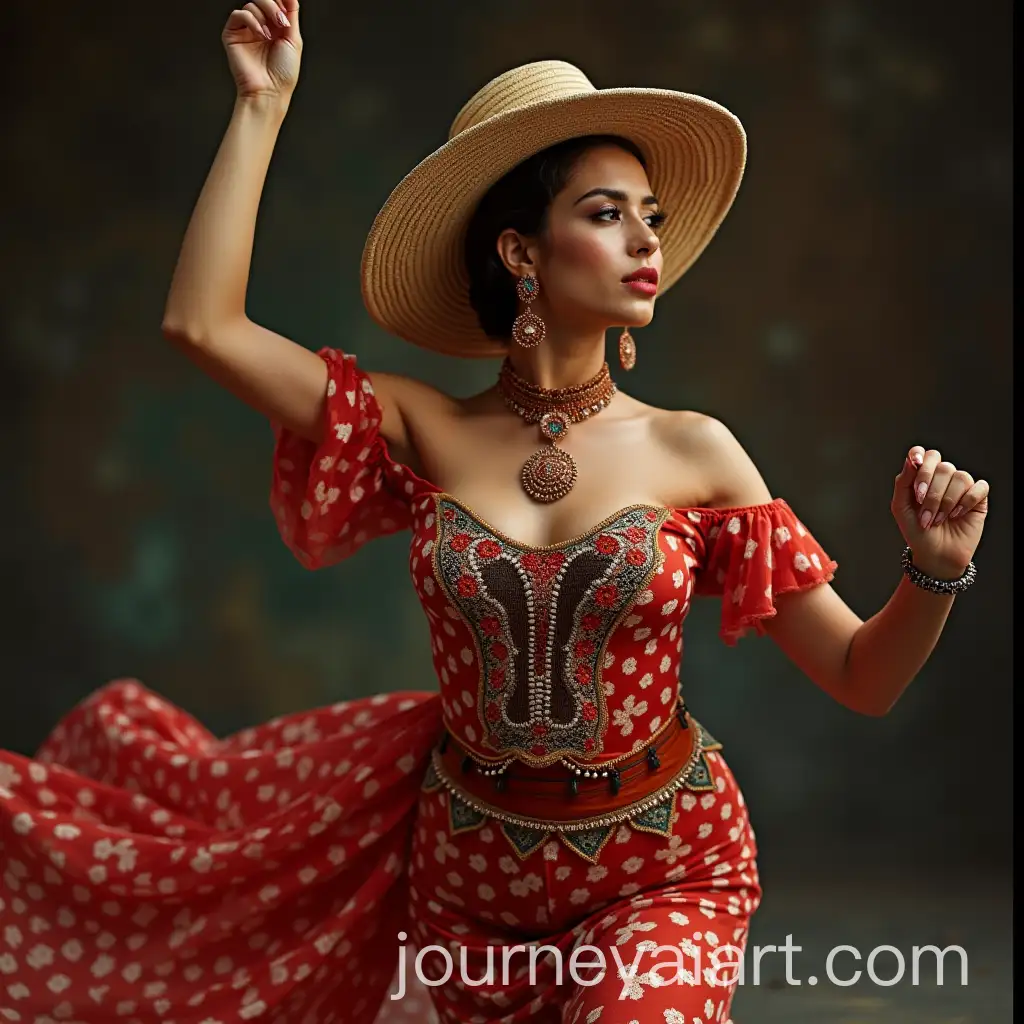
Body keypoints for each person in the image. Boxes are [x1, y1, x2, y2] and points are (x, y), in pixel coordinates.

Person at [0, 2, 989, 1022]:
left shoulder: (694, 451)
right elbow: (201, 324)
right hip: (467, 886)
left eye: (649, 213)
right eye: (607, 213)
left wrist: (934, 569)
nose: (645, 239)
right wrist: (261, 105)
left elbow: (861, 675)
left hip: (662, 869)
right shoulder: (420, 427)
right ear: (522, 252)